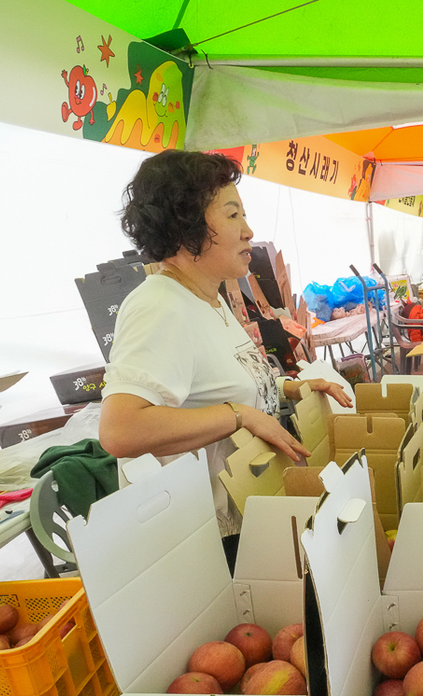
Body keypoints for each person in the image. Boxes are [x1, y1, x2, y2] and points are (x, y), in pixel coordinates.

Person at [101, 149, 352, 541]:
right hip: (205, 541)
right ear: (186, 228)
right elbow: (121, 430)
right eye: (233, 215)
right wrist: (238, 415)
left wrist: (289, 387)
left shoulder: (210, 298)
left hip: (246, 511)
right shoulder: (160, 306)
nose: (249, 230)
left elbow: (213, 387)